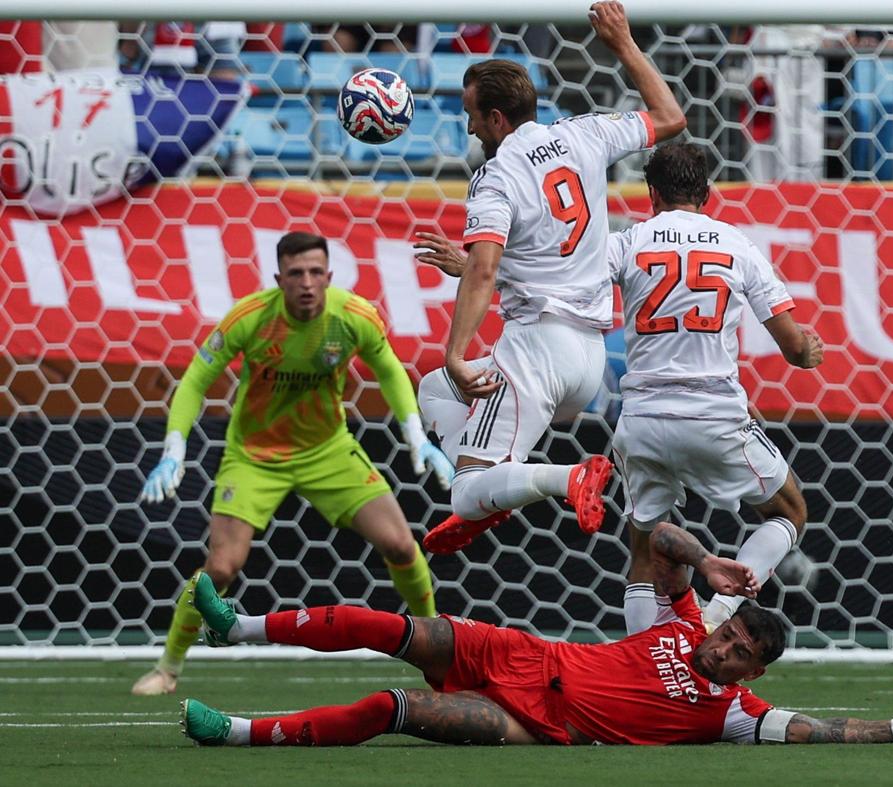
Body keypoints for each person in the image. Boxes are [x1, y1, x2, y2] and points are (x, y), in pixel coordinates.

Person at [413, 144, 823, 635]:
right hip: (714, 414)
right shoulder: (738, 246)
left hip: (643, 419)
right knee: (789, 511)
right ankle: (718, 614)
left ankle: (639, 664)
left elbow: (554, 285)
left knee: (644, 554)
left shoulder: (627, 242)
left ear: (651, 193)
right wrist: (808, 352)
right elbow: (794, 347)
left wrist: (472, 267)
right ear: (708, 193)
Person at [179, 521, 893, 747]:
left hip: (540, 722)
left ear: (748, 672)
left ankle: (243, 733)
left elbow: (824, 728)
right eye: (732, 641)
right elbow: (656, 534)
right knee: (395, 626)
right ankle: (236, 626)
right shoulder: (683, 618)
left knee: (398, 707)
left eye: (742, 659)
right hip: (525, 653)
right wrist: (709, 563)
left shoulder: (734, 715)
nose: (726, 654)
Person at [131, 231, 453, 696]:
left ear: (329, 277)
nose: (307, 282)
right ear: (279, 279)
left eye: (315, 273)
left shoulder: (355, 317)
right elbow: (196, 380)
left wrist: (416, 436)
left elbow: (389, 371)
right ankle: (169, 667)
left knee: (402, 547)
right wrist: (173, 450)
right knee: (221, 568)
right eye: (297, 274)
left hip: (327, 451)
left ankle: (434, 651)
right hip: (255, 457)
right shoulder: (250, 317)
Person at [426, 0, 687, 553]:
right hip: (587, 361)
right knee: (433, 391)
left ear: (496, 118)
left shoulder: (495, 177)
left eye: (472, 113)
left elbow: (486, 269)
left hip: (536, 352)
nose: (469, 125)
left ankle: (559, 479)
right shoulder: (584, 134)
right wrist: (622, 45)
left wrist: (457, 346)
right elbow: (670, 118)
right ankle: (495, 489)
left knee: (463, 490)